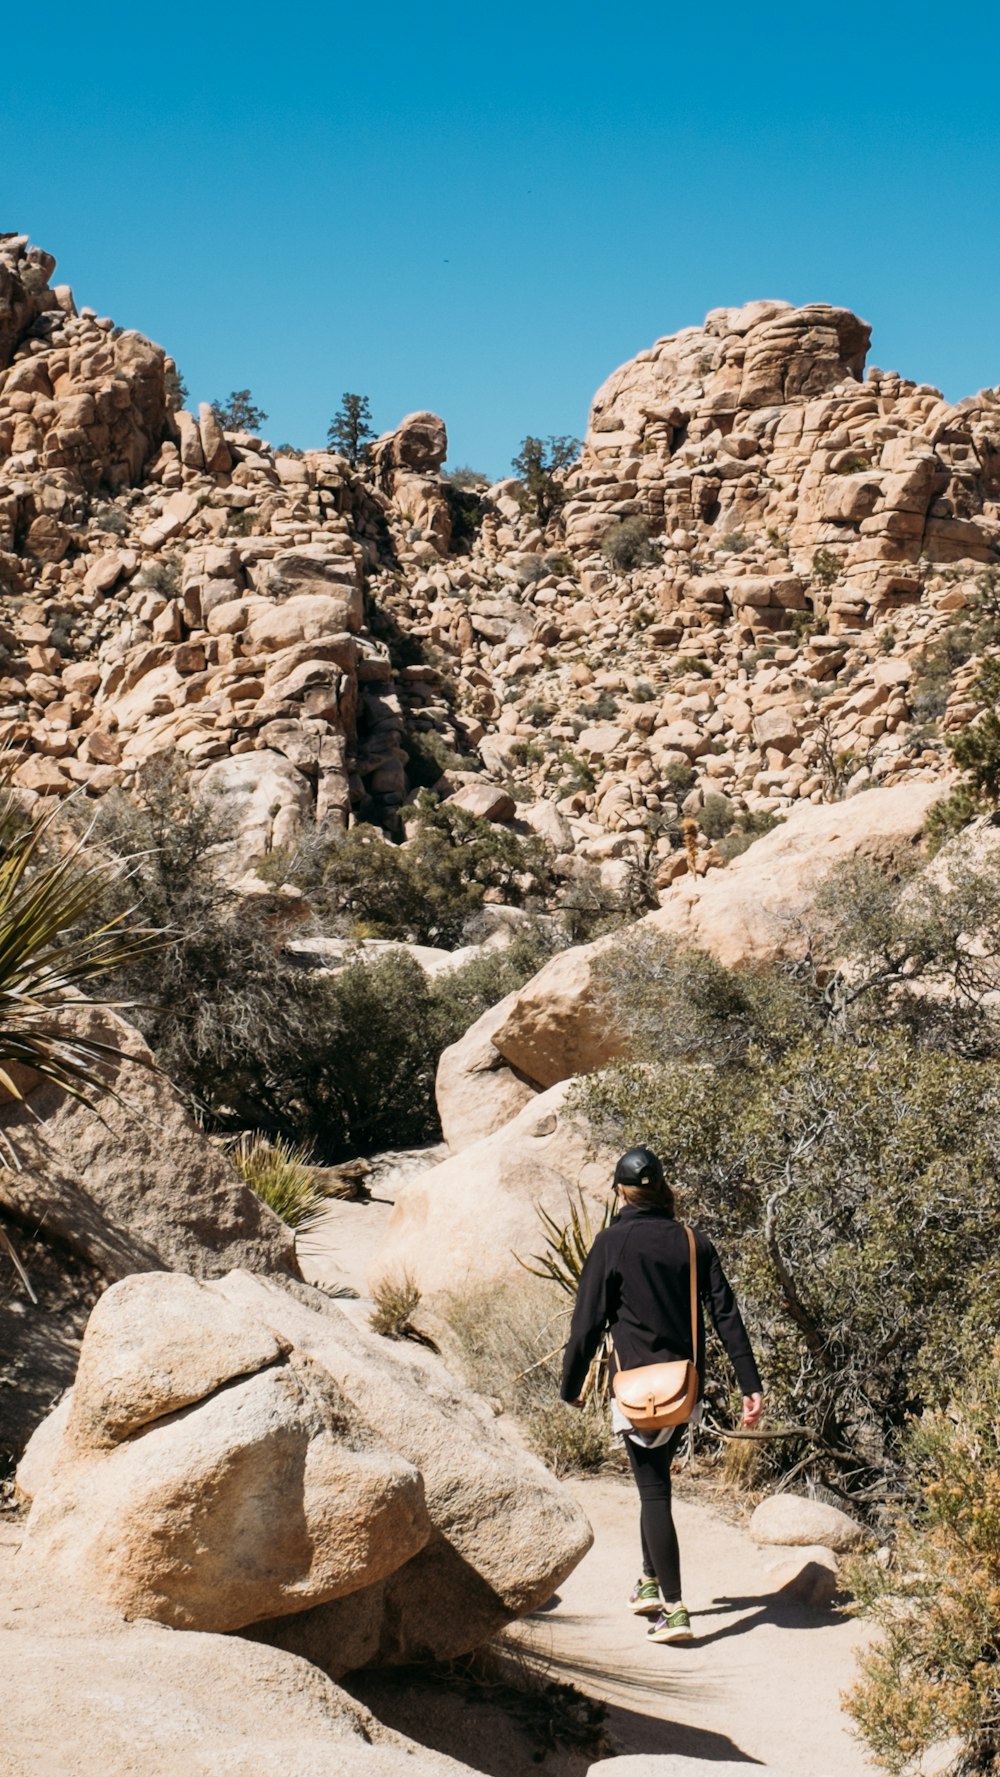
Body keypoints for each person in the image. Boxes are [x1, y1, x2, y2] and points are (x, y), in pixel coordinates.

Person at [560, 1146, 763, 1645]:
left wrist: (571, 1385)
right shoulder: (695, 1243)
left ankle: (673, 1608)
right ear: (661, 1187)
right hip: (683, 1389)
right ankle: (649, 1582)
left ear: (620, 1190)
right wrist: (750, 1385)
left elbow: (586, 1323)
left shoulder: (611, 1243)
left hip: (635, 1389)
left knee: (653, 1492)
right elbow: (727, 1318)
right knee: (652, 1483)